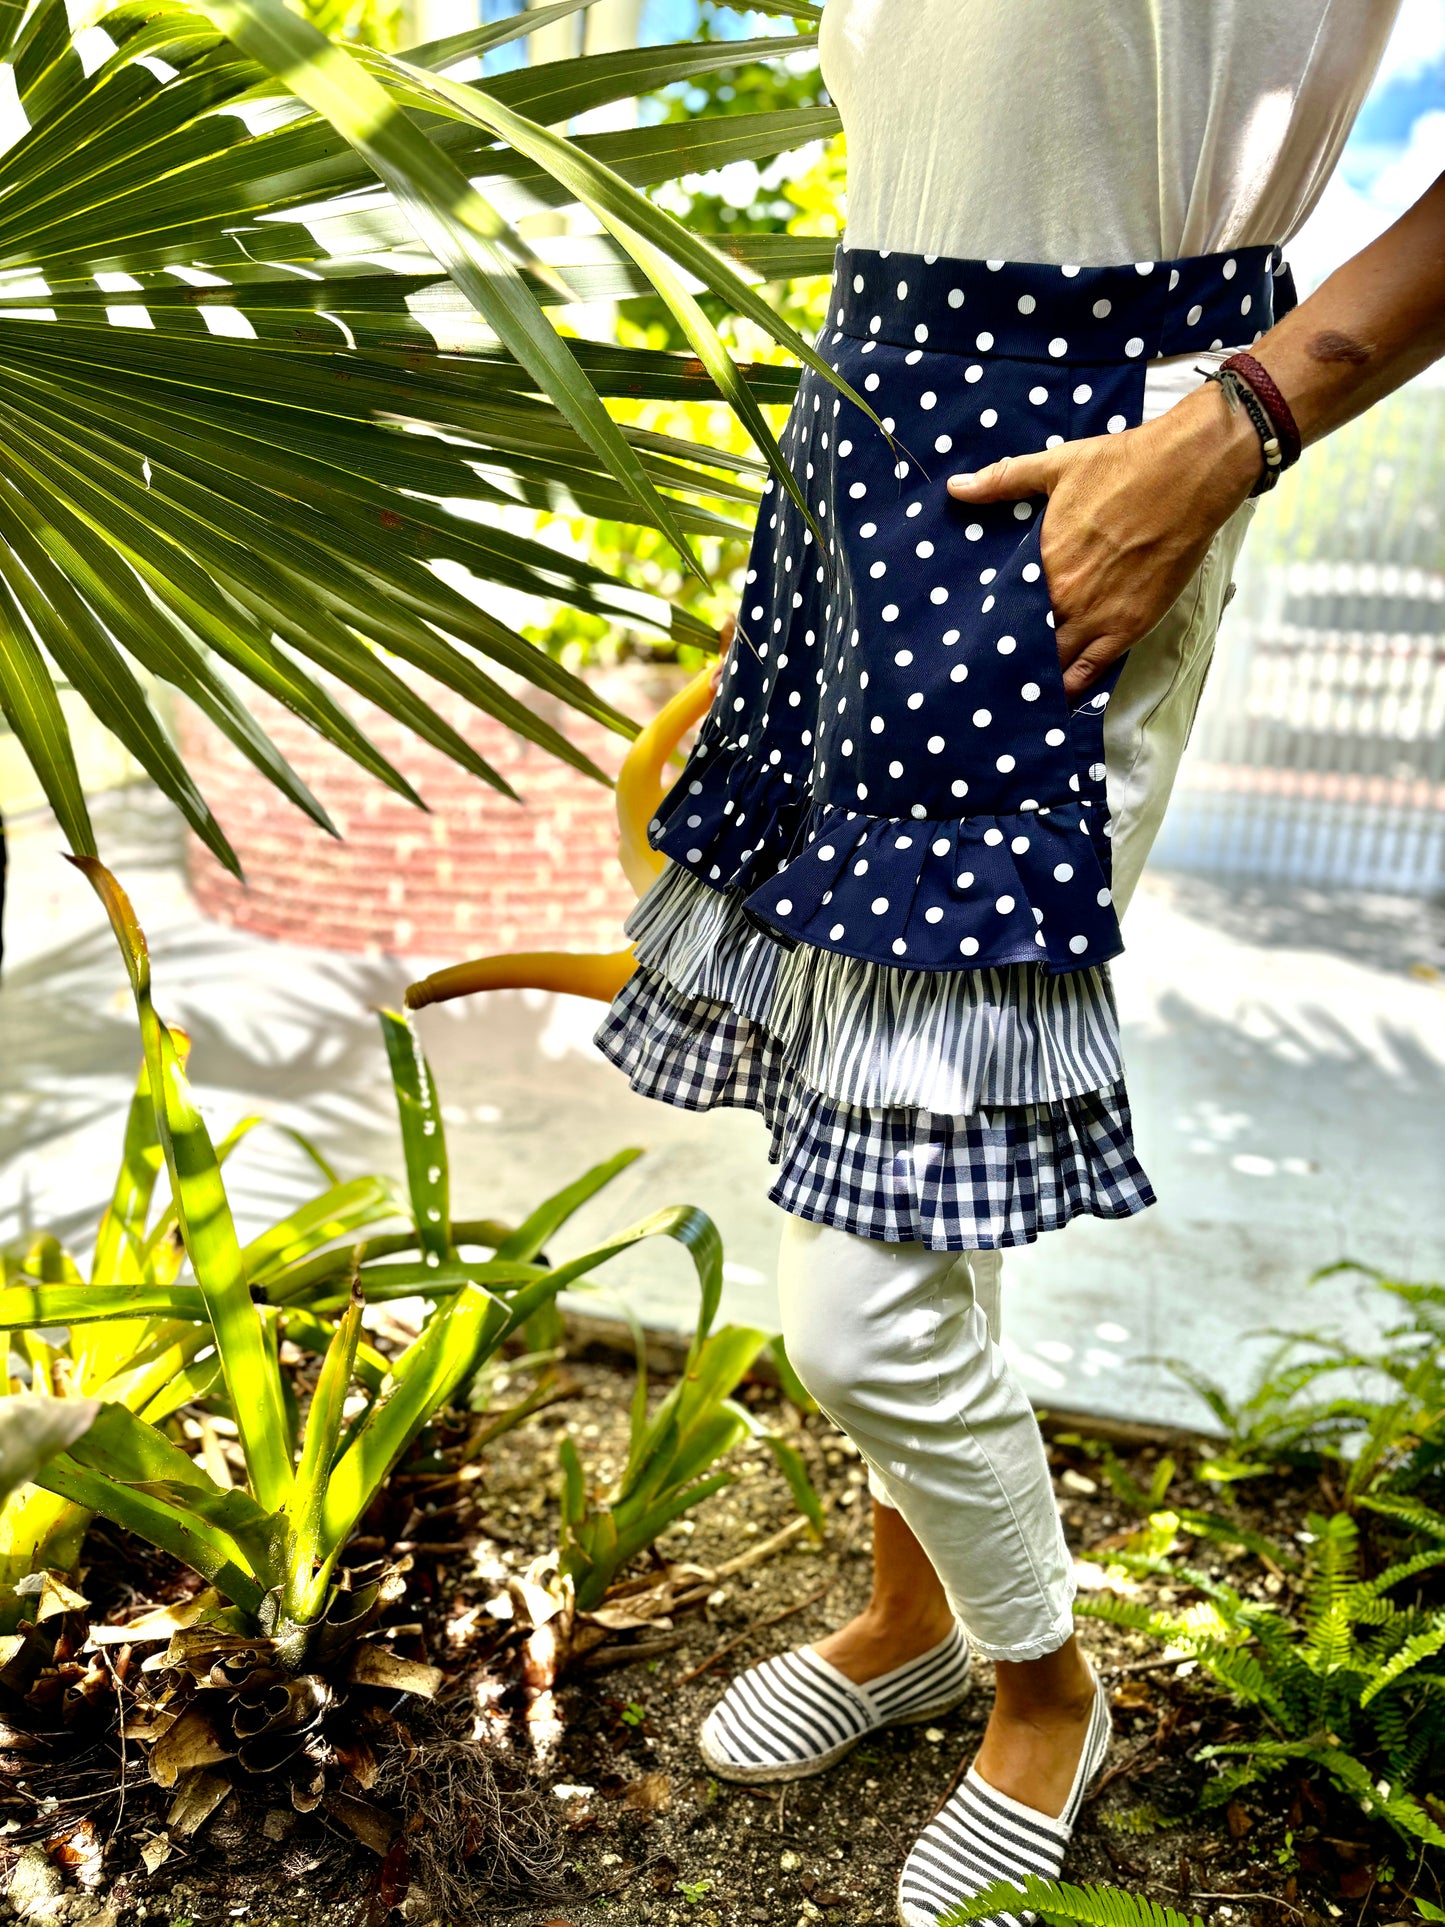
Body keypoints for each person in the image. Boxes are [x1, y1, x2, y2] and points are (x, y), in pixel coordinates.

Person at [595, 3, 1445, 1917]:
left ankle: (1046, 1691)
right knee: (878, 1136)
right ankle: (911, 1616)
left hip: (1073, 457)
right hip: (866, 439)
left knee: (859, 1305)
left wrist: (1237, 422)